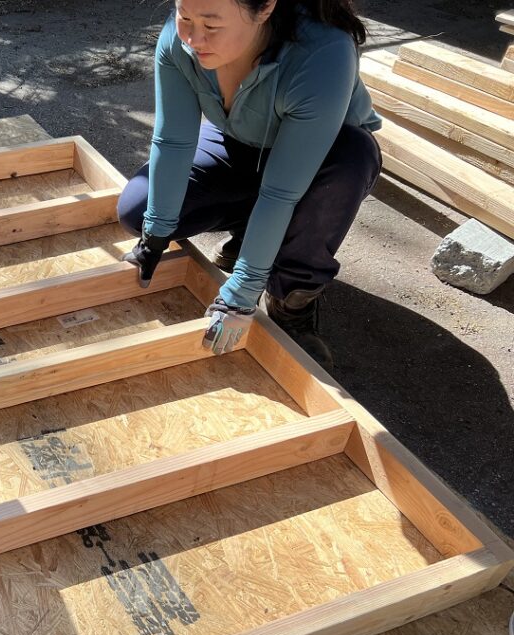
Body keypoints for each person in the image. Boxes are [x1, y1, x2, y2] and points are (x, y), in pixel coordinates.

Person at [118, 0, 382, 367]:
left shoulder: (323, 54)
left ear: (264, 9)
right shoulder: (180, 41)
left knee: (349, 160)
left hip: (327, 158)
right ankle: (251, 232)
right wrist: (155, 234)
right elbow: (173, 142)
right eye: (185, 18)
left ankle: (292, 296)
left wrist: (241, 293)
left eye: (211, 25)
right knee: (137, 209)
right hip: (241, 144)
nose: (194, 38)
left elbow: (280, 191)